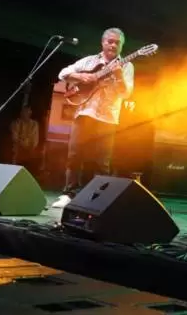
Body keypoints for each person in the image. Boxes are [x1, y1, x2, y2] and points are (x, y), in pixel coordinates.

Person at [51, 28, 134, 208]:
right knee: (74, 155)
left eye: (117, 43)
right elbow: (63, 73)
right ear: (103, 42)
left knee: (102, 161)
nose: (113, 45)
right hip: (84, 112)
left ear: (122, 46)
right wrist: (81, 76)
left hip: (107, 118)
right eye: (110, 41)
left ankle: (97, 198)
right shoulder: (89, 61)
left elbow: (126, 94)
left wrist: (119, 75)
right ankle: (68, 194)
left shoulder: (126, 66)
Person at [11, 105, 39, 170]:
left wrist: (31, 147)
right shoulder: (16, 123)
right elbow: (14, 137)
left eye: (27, 111)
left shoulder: (34, 124)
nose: (25, 113)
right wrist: (23, 143)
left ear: (30, 113)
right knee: (15, 169)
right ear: (21, 113)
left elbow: (35, 138)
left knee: (27, 169)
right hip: (18, 151)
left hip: (29, 151)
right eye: (24, 111)